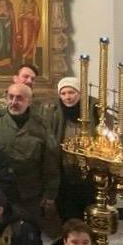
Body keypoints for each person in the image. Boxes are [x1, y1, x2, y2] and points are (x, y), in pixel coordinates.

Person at [0, 82, 58, 228]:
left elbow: (50, 161)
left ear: (29, 101)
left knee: (29, 232)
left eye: (19, 98)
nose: (14, 102)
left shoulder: (41, 125)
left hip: (29, 193)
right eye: (11, 97)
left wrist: (50, 193)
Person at [44, 76, 98, 222]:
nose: (67, 97)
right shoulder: (53, 112)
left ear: (80, 93)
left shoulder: (94, 110)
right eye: (63, 93)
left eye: (71, 92)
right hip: (64, 174)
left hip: (90, 173)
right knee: (68, 215)